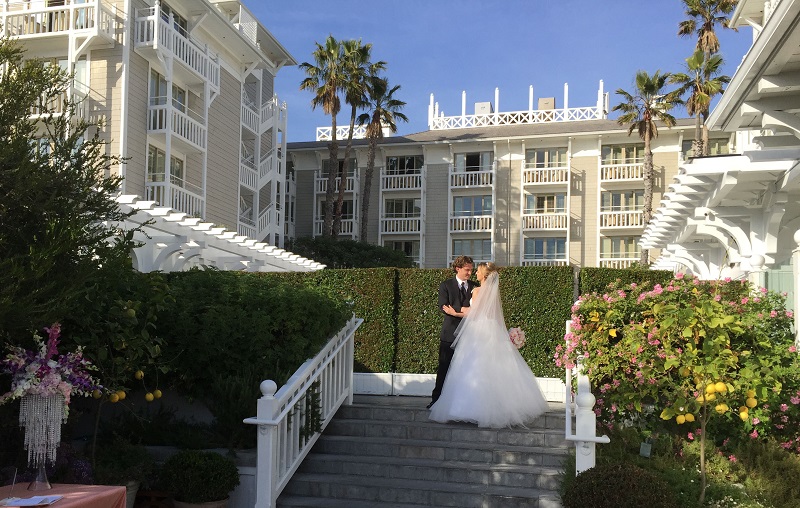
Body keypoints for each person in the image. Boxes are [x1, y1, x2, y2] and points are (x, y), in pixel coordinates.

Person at [429, 262, 549, 428]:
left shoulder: (477, 290)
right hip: (491, 328)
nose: (475, 273)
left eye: (477, 271)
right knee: (493, 367)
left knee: (473, 366)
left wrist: (455, 312)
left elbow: (474, 312)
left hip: (478, 329)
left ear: (484, 275)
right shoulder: (493, 292)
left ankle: (468, 409)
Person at [428, 255, 475, 409]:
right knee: (444, 367)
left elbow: (478, 309)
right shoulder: (446, 285)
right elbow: (443, 306)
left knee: (467, 370)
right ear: (458, 268)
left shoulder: (475, 286)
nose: (469, 273)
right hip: (450, 334)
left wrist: (456, 310)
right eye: (467, 270)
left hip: (470, 335)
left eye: (471, 270)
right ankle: (436, 400)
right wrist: (464, 309)